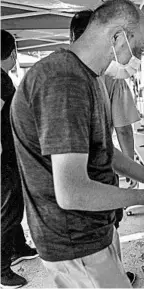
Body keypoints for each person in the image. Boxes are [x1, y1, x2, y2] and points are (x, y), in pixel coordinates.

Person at [10, 1, 144, 288]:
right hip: (75, 242)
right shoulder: (63, 81)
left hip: (90, 235)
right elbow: (71, 191)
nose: (138, 58)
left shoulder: (86, 76)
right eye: (138, 48)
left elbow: (103, 151)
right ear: (117, 37)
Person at [69, 9, 141, 285]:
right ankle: (117, 277)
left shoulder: (63, 74)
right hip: (93, 179)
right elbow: (123, 128)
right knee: (106, 233)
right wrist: (134, 176)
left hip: (69, 193)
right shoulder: (109, 78)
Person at [1, 29, 39, 289]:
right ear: (13, 53)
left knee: (14, 206)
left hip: (9, 157)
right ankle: (2, 270)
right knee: (8, 210)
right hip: (3, 160)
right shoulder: (0, 81)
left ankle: (18, 246)